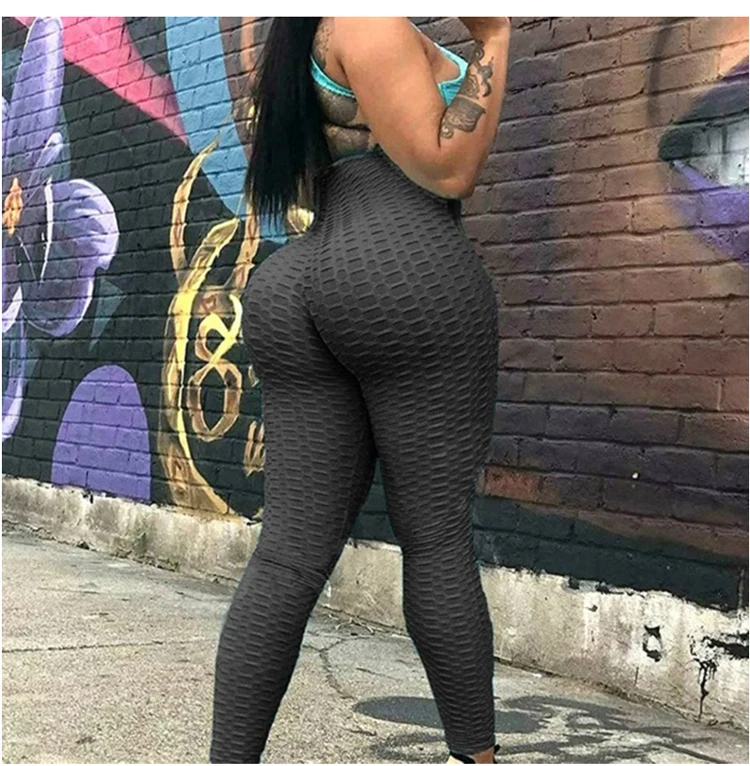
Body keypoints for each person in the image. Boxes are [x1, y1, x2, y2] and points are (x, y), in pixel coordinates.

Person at [209, 16, 511, 765]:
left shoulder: (305, 34)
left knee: (286, 557)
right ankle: (477, 756)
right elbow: (448, 169)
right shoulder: (367, 20)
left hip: (303, 276)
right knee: (436, 541)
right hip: (401, 267)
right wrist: (497, 40)